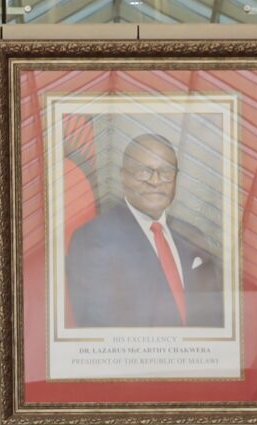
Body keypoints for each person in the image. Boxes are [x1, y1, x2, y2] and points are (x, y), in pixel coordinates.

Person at [63, 132, 224, 328]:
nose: (155, 181)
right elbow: (97, 328)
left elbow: (214, 317)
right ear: (123, 176)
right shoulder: (93, 237)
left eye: (166, 172)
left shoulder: (191, 235)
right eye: (143, 171)